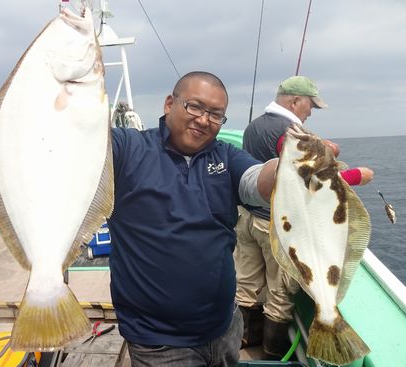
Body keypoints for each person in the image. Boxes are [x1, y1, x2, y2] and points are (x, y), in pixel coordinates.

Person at [107, 71, 277, 367]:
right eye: (195, 106)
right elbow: (79, 141)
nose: (203, 119)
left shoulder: (225, 156)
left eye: (215, 114)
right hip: (158, 342)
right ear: (169, 103)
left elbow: (257, 181)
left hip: (224, 327)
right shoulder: (127, 148)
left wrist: (288, 167)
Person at [233, 75, 374, 360]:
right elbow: (303, 181)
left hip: (245, 219)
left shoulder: (252, 127)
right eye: (310, 106)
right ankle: (272, 353)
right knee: (279, 293)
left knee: (245, 285)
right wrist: (356, 175)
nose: (310, 112)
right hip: (275, 224)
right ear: (295, 101)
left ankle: (243, 341)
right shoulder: (290, 133)